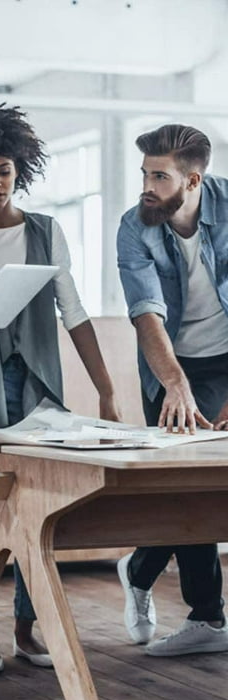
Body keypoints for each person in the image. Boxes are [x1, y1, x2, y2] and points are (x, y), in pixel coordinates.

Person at [0, 100, 121, 672]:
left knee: (36, 507)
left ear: (21, 168)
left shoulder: (47, 232)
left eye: (5, 170)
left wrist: (106, 390)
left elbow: (74, 312)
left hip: (36, 385)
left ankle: (26, 622)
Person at [116, 123, 228, 656]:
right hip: (169, 364)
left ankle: (136, 570)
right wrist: (176, 385)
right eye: (144, 174)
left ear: (192, 181)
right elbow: (146, 314)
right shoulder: (135, 226)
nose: (146, 186)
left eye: (159, 176)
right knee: (186, 484)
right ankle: (208, 618)